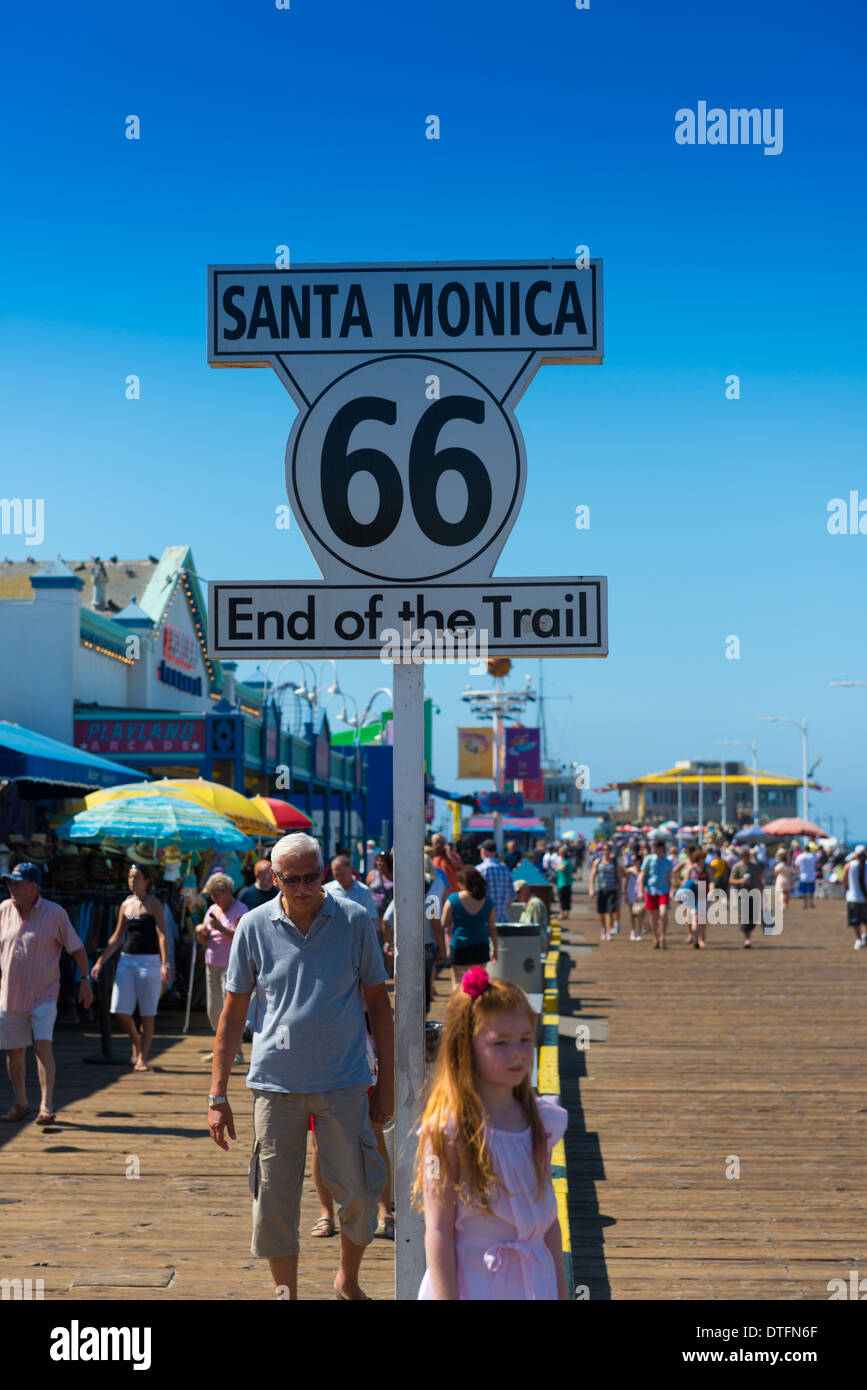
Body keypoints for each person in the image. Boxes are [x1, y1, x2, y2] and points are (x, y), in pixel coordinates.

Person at [208, 832, 393, 1301]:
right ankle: (285, 1292)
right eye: (294, 879)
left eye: (314, 876)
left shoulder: (353, 920)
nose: (306, 887)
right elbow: (232, 1015)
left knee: (358, 1192)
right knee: (273, 1200)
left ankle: (347, 1282)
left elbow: (378, 1004)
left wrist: (387, 1082)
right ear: (275, 878)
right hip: (275, 1086)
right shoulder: (252, 926)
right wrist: (217, 1095)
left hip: (346, 1082)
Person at [413, 968, 569, 1300]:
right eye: (500, 1042)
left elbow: (548, 1220)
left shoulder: (540, 1120)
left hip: (535, 1281)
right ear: (465, 1047)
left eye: (526, 1039)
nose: (517, 1052)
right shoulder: (446, 1131)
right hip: (477, 1283)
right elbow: (438, 1230)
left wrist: (561, 1291)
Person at [0, 863, 93, 1124]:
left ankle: (46, 1105)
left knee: (42, 1046)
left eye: (17, 883)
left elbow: (77, 948)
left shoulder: (55, 913)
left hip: (44, 994)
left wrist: (85, 980)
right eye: (10, 883)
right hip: (10, 995)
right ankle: (20, 1103)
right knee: (14, 1051)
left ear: (33, 887)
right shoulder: (3, 910)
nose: (11, 888)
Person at [92, 864, 170, 1072]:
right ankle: (137, 1043)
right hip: (127, 960)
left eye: (136, 877)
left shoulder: (154, 905)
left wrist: (165, 964)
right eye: (130, 877)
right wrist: (101, 961)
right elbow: (118, 936)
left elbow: (162, 935)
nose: (132, 881)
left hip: (149, 961)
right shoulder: (127, 905)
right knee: (120, 1009)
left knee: (147, 1012)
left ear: (147, 881)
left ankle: (142, 1057)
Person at [196, 872, 247, 1065]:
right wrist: (200, 933)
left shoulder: (240, 909)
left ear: (227, 892)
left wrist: (221, 929)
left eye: (216, 894)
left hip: (231, 965)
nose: (213, 898)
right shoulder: (213, 908)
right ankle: (220, 1049)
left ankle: (237, 1051)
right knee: (214, 1010)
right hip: (212, 962)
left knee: (230, 1011)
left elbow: (243, 938)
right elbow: (204, 937)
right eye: (212, 895)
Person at [326, 854, 391, 970]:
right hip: (332, 944)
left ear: (351, 870)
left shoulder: (364, 891)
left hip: (357, 945)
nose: (339, 878)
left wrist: (372, 946)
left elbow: (372, 919)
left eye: (342, 874)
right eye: (336, 874)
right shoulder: (326, 890)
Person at [441, 866, 498, 991]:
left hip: (459, 945)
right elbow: (492, 928)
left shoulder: (453, 899)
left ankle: (460, 1008)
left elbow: (444, 922)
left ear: (462, 883)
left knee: (457, 983)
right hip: (481, 945)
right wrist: (496, 950)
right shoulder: (488, 901)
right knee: (479, 984)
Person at [639, 838, 673, 949]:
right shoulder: (649, 859)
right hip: (651, 889)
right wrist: (640, 890)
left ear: (663, 848)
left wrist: (671, 891)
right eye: (655, 847)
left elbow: (669, 878)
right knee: (653, 916)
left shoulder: (667, 862)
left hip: (663, 890)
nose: (657, 849)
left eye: (659, 846)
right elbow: (642, 875)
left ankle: (662, 935)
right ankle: (655, 937)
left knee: (663, 913)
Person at [729, 847, 764, 948]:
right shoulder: (737, 866)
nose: (748, 857)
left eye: (749, 855)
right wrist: (741, 881)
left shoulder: (755, 866)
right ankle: (747, 939)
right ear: (741, 856)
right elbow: (731, 880)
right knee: (745, 918)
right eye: (746, 855)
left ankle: (747, 932)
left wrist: (762, 887)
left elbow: (759, 878)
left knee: (754, 918)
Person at [477, 840, 516, 924]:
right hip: (502, 920)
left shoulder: (479, 870)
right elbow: (512, 897)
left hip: (484, 921)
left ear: (483, 851)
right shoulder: (506, 870)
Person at [588, 844, 618, 941]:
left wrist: (620, 890)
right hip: (601, 889)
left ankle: (609, 932)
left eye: (608, 849)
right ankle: (603, 929)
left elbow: (619, 877)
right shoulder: (597, 862)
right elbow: (592, 876)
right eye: (604, 850)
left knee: (609, 911)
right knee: (601, 912)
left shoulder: (614, 862)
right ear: (602, 851)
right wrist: (591, 889)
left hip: (612, 889)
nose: (606, 851)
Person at [841, 846, 867, 949]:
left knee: (855, 922)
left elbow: (843, 880)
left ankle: (858, 940)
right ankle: (865, 936)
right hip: (865, 898)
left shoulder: (849, 866)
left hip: (853, 898)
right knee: (865, 920)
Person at [366, 851, 394, 918]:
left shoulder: (394, 876)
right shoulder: (372, 874)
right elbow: (366, 891)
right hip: (373, 914)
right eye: (377, 860)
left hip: (388, 914)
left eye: (381, 861)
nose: (379, 863)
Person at [554, 850, 574, 921]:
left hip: (563, 884)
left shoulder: (565, 863)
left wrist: (556, 867)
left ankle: (562, 914)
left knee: (563, 900)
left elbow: (562, 868)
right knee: (566, 900)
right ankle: (565, 914)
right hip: (565, 883)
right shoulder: (568, 863)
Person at [795, 843, 817, 909]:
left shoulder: (800, 856)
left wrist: (798, 872)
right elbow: (818, 858)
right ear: (809, 849)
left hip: (803, 876)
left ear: (804, 849)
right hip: (811, 876)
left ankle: (805, 904)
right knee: (811, 891)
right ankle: (811, 902)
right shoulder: (813, 855)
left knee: (804, 891)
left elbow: (796, 865)